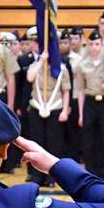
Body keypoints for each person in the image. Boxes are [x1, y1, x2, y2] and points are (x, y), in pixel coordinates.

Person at [23, 30, 72, 186]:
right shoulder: (35, 66)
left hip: (55, 108)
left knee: (53, 144)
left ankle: (52, 177)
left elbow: (66, 91)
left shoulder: (61, 69)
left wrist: (65, 110)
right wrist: (41, 61)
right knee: (36, 143)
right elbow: (30, 77)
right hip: (36, 107)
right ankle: (36, 176)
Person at [75, 29, 104, 182]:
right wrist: (81, 114)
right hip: (90, 103)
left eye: (97, 44)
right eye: (92, 44)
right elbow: (81, 90)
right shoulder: (82, 65)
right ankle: (90, 171)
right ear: (88, 45)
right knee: (89, 139)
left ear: (102, 45)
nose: (94, 47)